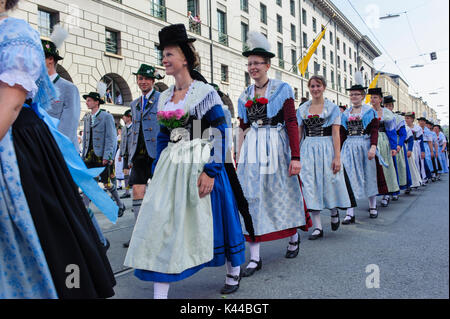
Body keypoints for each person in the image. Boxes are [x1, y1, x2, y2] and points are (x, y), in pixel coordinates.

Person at [124, 23, 251, 298]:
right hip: (172, 165)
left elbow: (220, 131)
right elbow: (161, 135)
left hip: (201, 160)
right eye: (164, 54)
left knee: (218, 216)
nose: (164, 59)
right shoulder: (165, 97)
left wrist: (211, 170)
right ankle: (161, 291)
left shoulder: (204, 93)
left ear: (185, 57)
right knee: (162, 223)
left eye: (169, 54)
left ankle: (233, 270)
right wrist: (158, 167)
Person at [0, 0, 116, 298]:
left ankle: (90, 243)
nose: (48, 62)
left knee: (65, 211)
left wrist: (70, 159)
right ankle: (91, 238)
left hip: (35, 146)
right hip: (43, 143)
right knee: (66, 209)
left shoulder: (67, 87)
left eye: (50, 58)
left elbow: (66, 124)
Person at [236, 31, 308, 276]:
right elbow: (243, 127)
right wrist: (238, 156)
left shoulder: (282, 89)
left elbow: (291, 123)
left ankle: (293, 235)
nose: (253, 67)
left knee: (282, 195)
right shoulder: (244, 94)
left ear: (268, 65)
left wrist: (296, 157)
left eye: (257, 63)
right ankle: (254, 257)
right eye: (250, 64)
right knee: (250, 198)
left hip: (275, 147)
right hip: (252, 150)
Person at [297, 75, 351, 239]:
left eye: (318, 86)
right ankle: (318, 227)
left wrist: (337, 157)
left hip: (326, 147)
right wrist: (295, 155)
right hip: (308, 148)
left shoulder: (332, 108)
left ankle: (334, 211)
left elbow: (336, 134)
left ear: (324, 87)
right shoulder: (303, 109)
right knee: (309, 184)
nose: (315, 89)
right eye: (312, 86)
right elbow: (299, 133)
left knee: (329, 180)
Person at [123, 63, 164, 248]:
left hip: (156, 153)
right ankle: (139, 234)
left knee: (159, 194)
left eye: (147, 78)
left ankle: (160, 232)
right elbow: (134, 132)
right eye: (141, 78)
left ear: (153, 81)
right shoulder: (134, 104)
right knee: (137, 192)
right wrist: (128, 157)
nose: (143, 82)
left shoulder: (162, 99)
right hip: (139, 154)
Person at [81, 91, 126, 217]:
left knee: (107, 183)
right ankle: (85, 209)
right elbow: (85, 138)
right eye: (87, 100)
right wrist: (83, 155)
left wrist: (108, 156)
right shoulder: (87, 117)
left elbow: (111, 138)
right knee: (88, 182)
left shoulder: (106, 116)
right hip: (89, 156)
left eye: (89, 100)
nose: (87, 102)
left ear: (96, 102)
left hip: (101, 156)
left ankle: (119, 203)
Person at [340, 80, 380, 222]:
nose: (354, 97)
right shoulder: (345, 114)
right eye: (351, 95)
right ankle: (350, 212)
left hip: (364, 144)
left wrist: (373, 146)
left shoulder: (370, 112)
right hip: (349, 146)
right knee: (348, 177)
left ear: (363, 96)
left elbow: (375, 131)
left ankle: (372, 205)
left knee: (369, 174)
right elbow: (342, 133)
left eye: (357, 94)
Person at [42, 33, 81, 152]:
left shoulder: (69, 88)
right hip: (40, 148)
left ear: (50, 59)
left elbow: (68, 127)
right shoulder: (35, 88)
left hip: (60, 151)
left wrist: (53, 149)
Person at [369, 88, 399, 207]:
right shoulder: (368, 112)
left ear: (380, 99)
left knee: (386, 167)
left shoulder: (387, 113)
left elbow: (391, 131)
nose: (373, 100)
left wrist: (393, 146)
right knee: (374, 169)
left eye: (375, 97)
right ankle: (374, 194)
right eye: (371, 97)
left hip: (383, 140)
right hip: (371, 141)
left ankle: (387, 193)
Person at [383, 96, 412, 198]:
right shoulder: (381, 115)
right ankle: (386, 192)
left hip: (396, 143)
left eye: (390, 105)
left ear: (392, 106)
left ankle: (396, 189)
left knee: (398, 167)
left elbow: (403, 134)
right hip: (384, 143)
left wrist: (399, 145)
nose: (388, 107)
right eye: (386, 105)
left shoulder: (398, 117)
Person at [403, 112, 423, 191]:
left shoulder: (417, 128)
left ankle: (415, 181)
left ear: (412, 119)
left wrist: (422, 151)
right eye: (406, 118)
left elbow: (419, 140)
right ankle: (407, 184)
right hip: (403, 146)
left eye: (408, 118)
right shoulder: (404, 127)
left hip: (414, 147)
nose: (406, 120)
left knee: (414, 164)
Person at [119, 109, 133, 198]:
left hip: (133, 152)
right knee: (125, 172)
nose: (123, 118)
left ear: (129, 117)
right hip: (125, 153)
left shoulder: (135, 126)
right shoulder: (124, 128)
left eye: (125, 116)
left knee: (135, 172)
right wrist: (120, 153)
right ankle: (127, 191)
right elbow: (122, 141)